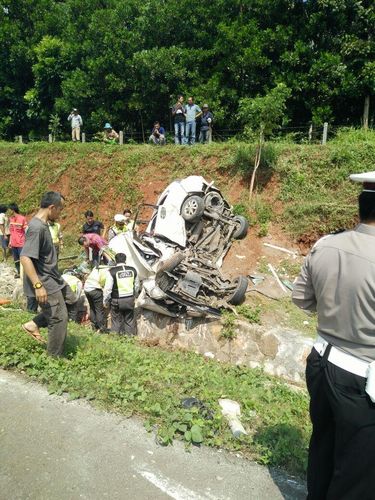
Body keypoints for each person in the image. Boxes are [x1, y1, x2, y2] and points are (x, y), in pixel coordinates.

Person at [292, 171, 375, 499]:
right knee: (358, 473)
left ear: (361, 204)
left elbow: (301, 299)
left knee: (323, 449)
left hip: (321, 365)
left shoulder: (325, 245)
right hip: (362, 380)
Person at [20, 192, 77, 356]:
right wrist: (38, 286)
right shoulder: (37, 228)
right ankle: (54, 358)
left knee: (72, 300)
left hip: (54, 277)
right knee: (59, 318)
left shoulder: (44, 225)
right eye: (60, 209)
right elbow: (25, 257)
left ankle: (33, 324)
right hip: (45, 280)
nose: (61, 213)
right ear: (52, 208)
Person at [103, 253, 139, 335]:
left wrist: (105, 301)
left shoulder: (111, 271)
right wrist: (135, 296)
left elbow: (107, 289)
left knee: (116, 320)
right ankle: (130, 339)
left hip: (116, 300)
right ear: (125, 260)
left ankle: (116, 339)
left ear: (115, 260)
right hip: (130, 298)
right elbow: (137, 285)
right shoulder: (133, 270)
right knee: (129, 320)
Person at [84, 264, 110, 332]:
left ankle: (94, 325)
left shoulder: (97, 268)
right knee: (99, 309)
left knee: (92, 307)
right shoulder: (107, 272)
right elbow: (107, 287)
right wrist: (105, 299)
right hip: (95, 290)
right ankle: (101, 327)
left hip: (86, 289)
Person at [8, 202, 28, 277]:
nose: (8, 211)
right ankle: (19, 272)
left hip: (21, 243)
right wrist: (10, 241)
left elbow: (26, 231)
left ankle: (25, 273)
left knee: (23, 258)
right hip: (13, 243)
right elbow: (11, 232)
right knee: (16, 259)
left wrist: (28, 241)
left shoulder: (22, 218)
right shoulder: (11, 219)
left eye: (9, 210)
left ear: (13, 210)